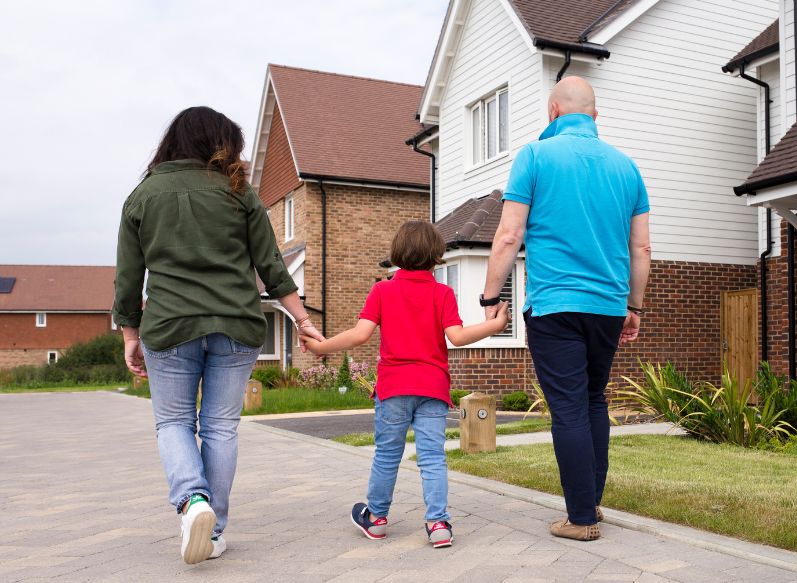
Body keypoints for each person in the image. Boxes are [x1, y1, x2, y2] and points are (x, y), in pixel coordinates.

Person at [113, 106, 324, 564]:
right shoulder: (238, 192)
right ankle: (214, 531)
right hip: (235, 324)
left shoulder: (143, 195)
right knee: (220, 426)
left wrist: (130, 334)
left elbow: (128, 278)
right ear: (220, 144)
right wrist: (302, 319)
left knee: (173, 422)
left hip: (169, 325)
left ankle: (193, 501)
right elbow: (271, 264)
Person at [481, 77, 651, 541]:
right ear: (595, 117)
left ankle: (580, 519)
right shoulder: (627, 167)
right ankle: (590, 504)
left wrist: (491, 297)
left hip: (555, 306)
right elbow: (641, 248)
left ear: (553, 112)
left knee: (569, 408)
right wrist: (633, 306)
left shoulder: (535, 156)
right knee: (594, 399)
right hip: (608, 307)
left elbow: (509, 235)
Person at [303, 220, 508, 548]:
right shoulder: (442, 293)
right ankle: (438, 524)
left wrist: (320, 346)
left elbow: (360, 335)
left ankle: (376, 519)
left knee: (387, 454)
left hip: (394, 388)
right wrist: (495, 326)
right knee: (432, 457)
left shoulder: (382, 291)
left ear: (397, 253)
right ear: (436, 255)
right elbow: (457, 337)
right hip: (432, 388)